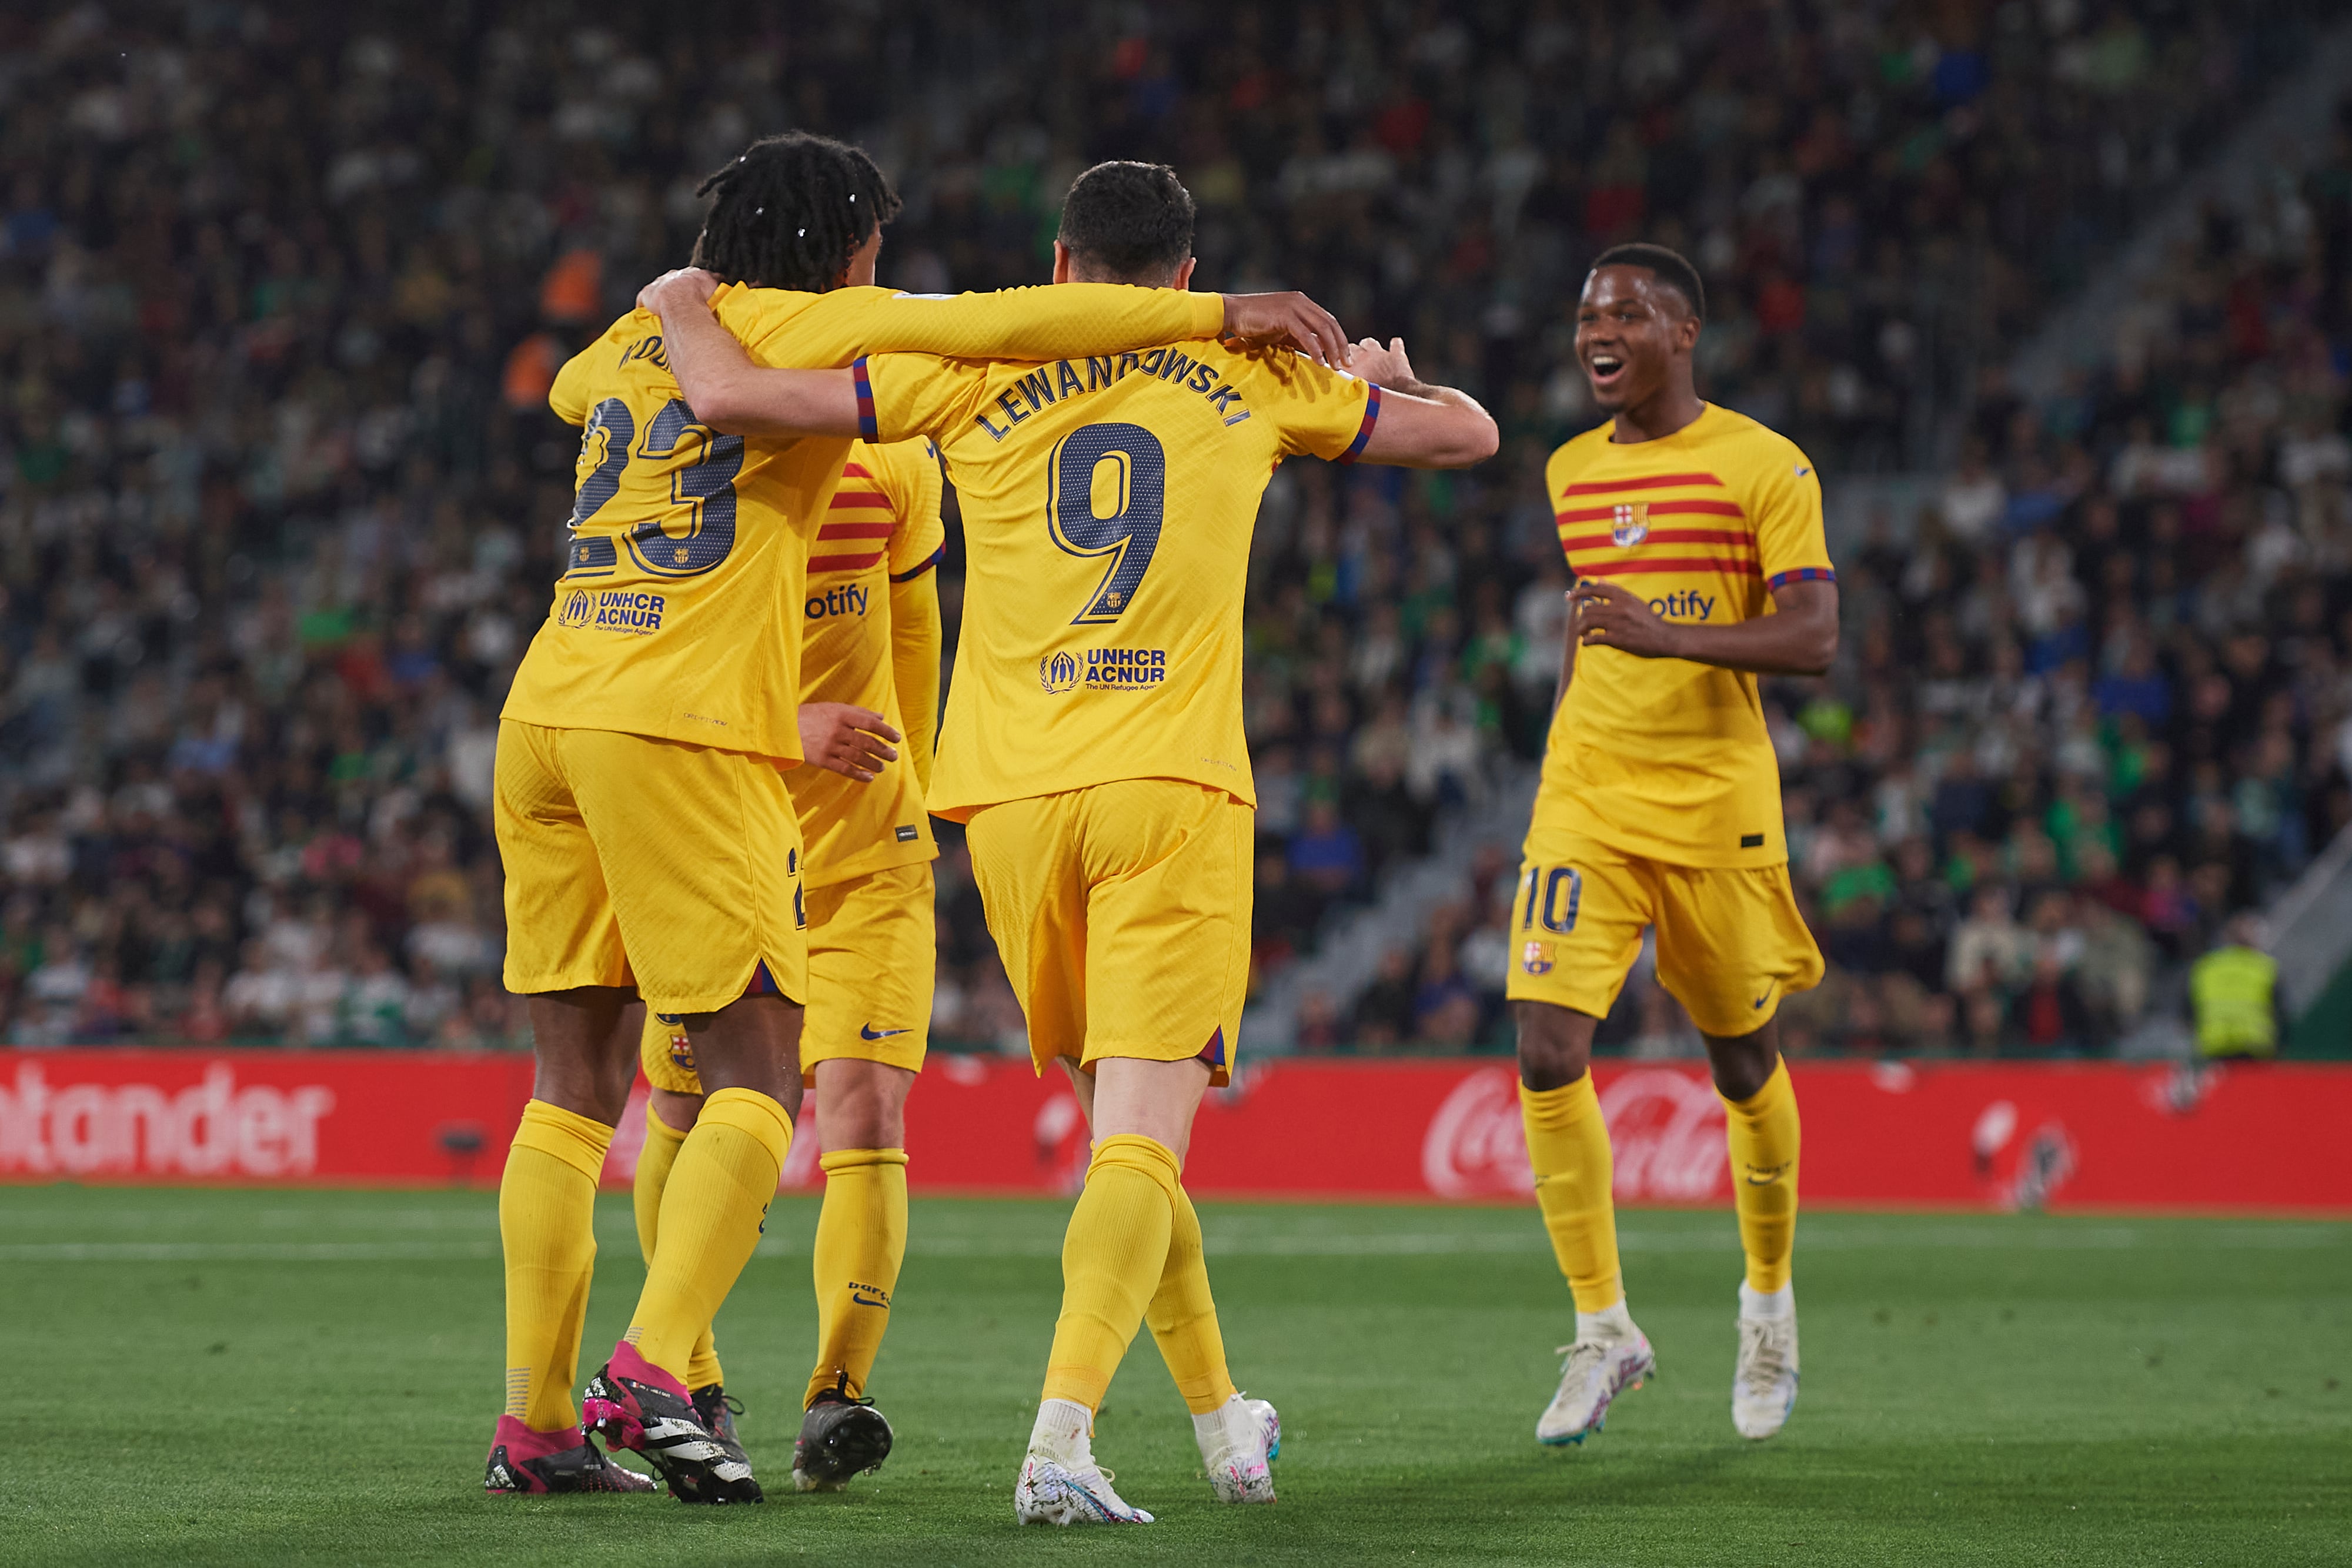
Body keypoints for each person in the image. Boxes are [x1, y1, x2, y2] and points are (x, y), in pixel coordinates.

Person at [486, 130, 1348, 1503]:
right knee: (763, 1072)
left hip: (545, 707)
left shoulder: (630, 343)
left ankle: (532, 1426)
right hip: (676, 721)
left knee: (571, 1088)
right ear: (840, 253)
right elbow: (1015, 319)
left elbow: (582, 396)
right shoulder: (821, 328)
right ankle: (653, 1371)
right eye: (871, 251)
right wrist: (1212, 312)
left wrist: (674, 302)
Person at [642, 159, 1495, 1526]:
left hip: (1013, 811)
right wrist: (1392, 376)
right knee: (1140, 1151)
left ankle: (1225, 1428)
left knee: (1126, 1135)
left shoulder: (970, 382)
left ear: (1057, 267)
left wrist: (682, 307)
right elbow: (1468, 437)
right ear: (1182, 275)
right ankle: (1058, 1441)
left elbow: (737, 394)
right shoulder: (1259, 376)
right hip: (1169, 789)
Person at [1508, 243, 1836, 1451]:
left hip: (1713, 801)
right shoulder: (1566, 469)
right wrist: (1564, 738)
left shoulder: (1762, 463)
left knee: (1740, 1058)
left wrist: (1670, 637)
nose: (1598, 329)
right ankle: (1602, 1329)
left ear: (1682, 332)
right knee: (1544, 1045)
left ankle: (1766, 1302)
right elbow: (1591, 627)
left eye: (1627, 313)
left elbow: (1813, 634)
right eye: (1587, 311)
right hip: (1586, 796)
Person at [633, 430, 944, 1496]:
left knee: (866, 1112)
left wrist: (927, 781)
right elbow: (637, 683)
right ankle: (695, 1386)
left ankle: (836, 1396)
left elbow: (914, 632)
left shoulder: (895, 459)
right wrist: (782, 722)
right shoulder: (684, 473)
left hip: (871, 854)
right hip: (725, 836)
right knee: (683, 1114)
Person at [2189, 913, 2283, 1059]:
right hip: (2256, 1049)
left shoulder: (2205, 968)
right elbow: (2280, 1012)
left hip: (2214, 1048)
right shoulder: (2264, 968)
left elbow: (2188, 1011)